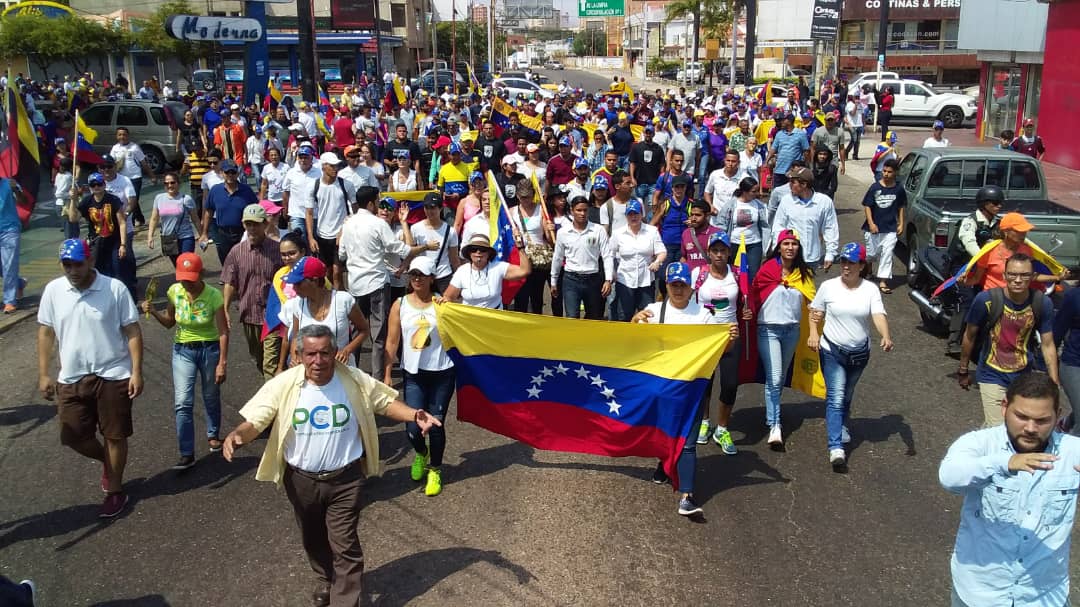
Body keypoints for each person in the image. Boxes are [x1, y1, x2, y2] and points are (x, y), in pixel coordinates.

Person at [221, 324, 442, 607]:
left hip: (346, 480)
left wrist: (415, 415)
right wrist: (239, 435)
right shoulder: (284, 384)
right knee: (312, 537)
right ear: (299, 355)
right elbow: (258, 419)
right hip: (300, 480)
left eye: (325, 353)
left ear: (335, 352)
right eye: (310, 354)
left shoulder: (353, 379)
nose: (318, 360)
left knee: (345, 543)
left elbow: (384, 403)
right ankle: (325, 578)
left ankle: (345, 600)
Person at [939, 371, 1080, 607]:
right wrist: (1003, 463)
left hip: (1044, 596)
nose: (1031, 428)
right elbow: (949, 476)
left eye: (1042, 420)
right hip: (979, 594)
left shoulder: (1071, 452)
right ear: (1005, 407)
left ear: (1058, 416)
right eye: (1022, 416)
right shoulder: (980, 444)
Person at [37, 239, 143, 518]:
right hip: (71, 376)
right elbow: (46, 332)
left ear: (91, 261)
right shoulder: (54, 291)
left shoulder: (114, 288)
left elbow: (132, 331)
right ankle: (107, 463)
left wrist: (136, 371)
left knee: (115, 435)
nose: (72, 270)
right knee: (72, 435)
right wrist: (44, 373)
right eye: (66, 264)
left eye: (77, 263)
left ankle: (115, 490)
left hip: (113, 374)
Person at [632, 262, 735, 516]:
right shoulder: (654, 311)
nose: (678, 289)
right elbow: (632, 341)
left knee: (688, 442)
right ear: (666, 286)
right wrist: (634, 320)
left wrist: (730, 340)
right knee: (663, 432)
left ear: (691, 288)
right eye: (673, 284)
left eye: (683, 285)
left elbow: (720, 350)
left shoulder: (703, 315)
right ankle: (664, 464)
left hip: (691, 388)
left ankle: (687, 495)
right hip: (662, 386)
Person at [807, 242, 893, 468]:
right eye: (843, 262)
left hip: (859, 354)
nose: (846, 267)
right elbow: (815, 313)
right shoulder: (828, 287)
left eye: (851, 263)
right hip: (832, 350)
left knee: (847, 394)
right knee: (835, 397)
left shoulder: (870, 289)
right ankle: (836, 447)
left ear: (862, 265)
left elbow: (878, 314)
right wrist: (814, 334)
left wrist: (885, 335)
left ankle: (842, 423)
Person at [140, 252, 228, 470]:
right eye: (182, 277)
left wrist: (222, 362)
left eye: (190, 277)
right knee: (183, 402)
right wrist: (155, 312)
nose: (186, 282)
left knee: (210, 394)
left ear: (201, 274)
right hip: (183, 350)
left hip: (209, 348)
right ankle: (186, 452)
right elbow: (170, 322)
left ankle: (213, 433)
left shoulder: (214, 295)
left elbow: (223, 331)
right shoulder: (174, 291)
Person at [338, 188, 436, 377]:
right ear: (370, 204)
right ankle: (376, 378)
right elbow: (401, 250)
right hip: (376, 283)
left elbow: (342, 254)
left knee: (357, 331)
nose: (379, 205)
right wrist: (424, 247)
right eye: (377, 201)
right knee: (379, 335)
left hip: (355, 284)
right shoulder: (378, 224)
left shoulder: (348, 223)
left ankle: (352, 374)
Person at [959, 253, 1057, 427]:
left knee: (1002, 425)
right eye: (1012, 274)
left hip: (1023, 376)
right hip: (991, 374)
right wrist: (963, 369)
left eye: (1024, 275)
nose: (1017, 280)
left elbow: (1048, 345)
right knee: (1002, 428)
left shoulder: (1042, 303)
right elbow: (969, 335)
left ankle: (977, 448)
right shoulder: (986, 300)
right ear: (1004, 276)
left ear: (1033, 277)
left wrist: (1054, 382)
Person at [384, 257, 455, 496]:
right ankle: (421, 454)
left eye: (421, 275)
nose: (416, 279)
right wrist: (386, 374)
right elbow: (392, 341)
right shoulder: (400, 304)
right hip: (413, 373)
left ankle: (435, 469)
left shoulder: (441, 304)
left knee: (435, 424)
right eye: (413, 274)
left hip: (442, 372)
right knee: (413, 427)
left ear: (431, 278)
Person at [750, 229, 815, 447]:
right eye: (786, 243)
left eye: (794, 244)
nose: (790, 247)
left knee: (778, 377)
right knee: (776, 376)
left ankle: (773, 414)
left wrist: (816, 331)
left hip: (792, 331)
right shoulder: (767, 270)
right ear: (779, 247)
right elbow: (753, 295)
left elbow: (814, 305)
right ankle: (775, 424)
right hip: (768, 330)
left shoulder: (804, 275)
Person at [692, 232, 753, 452]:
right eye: (715, 251)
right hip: (705, 337)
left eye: (723, 251)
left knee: (729, 384)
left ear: (729, 252)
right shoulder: (698, 274)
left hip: (730, 336)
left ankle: (722, 428)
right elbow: (687, 301)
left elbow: (747, 301)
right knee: (705, 383)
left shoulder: (737, 275)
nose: (719, 255)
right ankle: (705, 422)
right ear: (708, 253)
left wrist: (748, 312)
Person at [222, 204, 284, 381]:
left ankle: (273, 402)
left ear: (265, 224)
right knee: (259, 358)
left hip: (273, 315)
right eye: (248, 224)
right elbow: (229, 281)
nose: (252, 228)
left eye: (256, 224)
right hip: (249, 313)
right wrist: (225, 309)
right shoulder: (236, 252)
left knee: (270, 364)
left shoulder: (277, 250)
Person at [279, 256, 370, 372]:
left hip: (341, 369)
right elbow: (296, 336)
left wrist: (347, 350)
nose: (294, 288)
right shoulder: (297, 304)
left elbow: (364, 330)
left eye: (298, 283)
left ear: (315, 281)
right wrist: (294, 355)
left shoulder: (343, 300)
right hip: (311, 371)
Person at [946, 186, 1004, 355]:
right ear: (984, 204)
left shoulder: (997, 223)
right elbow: (969, 242)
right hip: (962, 266)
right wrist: (982, 258)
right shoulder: (969, 221)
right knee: (968, 299)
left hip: (983, 267)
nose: (999, 206)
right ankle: (954, 340)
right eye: (995, 203)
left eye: (1000, 203)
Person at [72, 172, 136, 296]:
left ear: (104, 184)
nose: (96, 187)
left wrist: (123, 245)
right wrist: (73, 200)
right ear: (90, 187)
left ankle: (128, 297)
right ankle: (105, 298)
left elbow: (122, 223)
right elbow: (73, 218)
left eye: (99, 184)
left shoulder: (113, 200)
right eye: (93, 184)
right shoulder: (87, 201)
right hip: (97, 243)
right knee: (98, 273)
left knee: (119, 272)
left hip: (114, 242)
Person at [550, 196, 613, 320]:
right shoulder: (563, 232)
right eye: (579, 210)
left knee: (593, 318)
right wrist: (553, 281)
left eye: (585, 210)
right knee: (572, 317)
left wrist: (608, 279)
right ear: (572, 211)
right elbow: (557, 257)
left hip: (593, 279)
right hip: (571, 279)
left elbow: (607, 255)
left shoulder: (598, 230)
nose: (582, 213)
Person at [965, 212, 1062, 291]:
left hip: (1018, 300)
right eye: (1019, 231)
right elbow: (976, 279)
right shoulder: (989, 251)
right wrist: (962, 281)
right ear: (1006, 231)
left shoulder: (1027, 250)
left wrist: (1058, 277)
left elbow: (1031, 276)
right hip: (994, 299)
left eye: (1025, 231)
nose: (1023, 234)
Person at [770, 166, 839, 270]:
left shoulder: (824, 202)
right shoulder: (786, 201)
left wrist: (830, 253)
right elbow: (778, 227)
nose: (789, 185)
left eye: (793, 182)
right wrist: (777, 249)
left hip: (812, 258)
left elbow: (830, 228)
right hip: (790, 257)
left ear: (804, 184)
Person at [444, 234, 532, 309]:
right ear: (469, 253)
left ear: (489, 253)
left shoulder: (498, 267)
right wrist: (443, 301)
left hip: (494, 318)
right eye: (474, 249)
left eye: (482, 249)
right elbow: (449, 296)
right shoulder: (462, 271)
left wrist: (520, 248)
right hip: (470, 320)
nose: (478, 252)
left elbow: (524, 271)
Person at [611, 199, 665, 321]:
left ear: (642, 214)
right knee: (624, 315)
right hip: (625, 280)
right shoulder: (618, 233)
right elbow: (609, 254)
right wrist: (612, 272)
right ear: (626, 216)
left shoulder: (652, 231)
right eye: (630, 214)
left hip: (646, 279)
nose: (633, 217)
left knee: (647, 316)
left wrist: (657, 262)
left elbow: (662, 251)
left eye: (636, 213)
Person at [861, 158, 907, 294]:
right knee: (872, 254)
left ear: (895, 173)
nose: (886, 174)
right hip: (873, 228)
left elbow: (901, 206)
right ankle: (868, 268)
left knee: (887, 253)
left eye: (889, 172)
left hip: (890, 228)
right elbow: (867, 206)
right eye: (884, 171)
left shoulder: (899, 189)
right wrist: (871, 223)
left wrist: (901, 223)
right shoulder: (875, 187)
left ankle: (883, 281)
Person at [201, 159, 260, 266]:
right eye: (227, 172)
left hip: (243, 233)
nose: (230, 175)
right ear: (222, 173)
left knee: (244, 263)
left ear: (237, 173)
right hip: (222, 234)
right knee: (227, 265)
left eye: (233, 172)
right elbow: (208, 212)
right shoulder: (215, 190)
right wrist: (204, 233)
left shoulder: (246, 190)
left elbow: (256, 210)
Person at [510, 179, 555, 314]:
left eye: (528, 196)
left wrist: (549, 229)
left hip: (538, 260)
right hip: (520, 259)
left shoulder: (542, 209)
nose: (525, 200)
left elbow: (550, 240)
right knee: (521, 299)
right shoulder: (511, 211)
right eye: (522, 197)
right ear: (517, 195)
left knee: (537, 298)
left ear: (533, 194)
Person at [713, 177, 770, 283]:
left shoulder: (759, 205)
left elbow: (765, 225)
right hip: (734, 243)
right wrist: (721, 243)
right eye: (753, 191)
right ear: (744, 191)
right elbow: (721, 224)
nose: (756, 193)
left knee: (753, 275)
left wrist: (766, 246)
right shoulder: (731, 204)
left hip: (754, 244)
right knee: (733, 273)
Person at [148, 172, 200, 265]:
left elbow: (195, 219)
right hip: (168, 238)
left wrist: (202, 235)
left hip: (185, 237)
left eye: (172, 182)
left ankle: (194, 277)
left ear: (178, 183)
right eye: (166, 183)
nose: (169, 185)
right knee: (177, 266)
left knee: (186, 265)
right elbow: (154, 219)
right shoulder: (159, 198)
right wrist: (150, 236)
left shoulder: (186, 199)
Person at [412, 193, 461, 293]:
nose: (429, 211)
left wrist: (459, 281)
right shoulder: (415, 228)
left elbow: (454, 260)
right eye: (427, 207)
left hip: (443, 276)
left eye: (433, 208)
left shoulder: (450, 231)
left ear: (440, 208)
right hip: (422, 276)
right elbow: (410, 252)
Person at [109, 127, 155, 227]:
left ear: (128, 135)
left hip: (135, 177)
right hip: (122, 179)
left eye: (124, 134)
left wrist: (152, 176)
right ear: (117, 136)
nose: (122, 137)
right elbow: (110, 164)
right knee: (128, 200)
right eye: (120, 135)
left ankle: (131, 222)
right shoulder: (115, 148)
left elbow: (144, 163)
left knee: (133, 199)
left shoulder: (134, 147)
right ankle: (140, 218)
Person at [0, 178, 27, 313]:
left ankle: (9, 301)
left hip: (9, 229)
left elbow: (24, 201)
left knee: (9, 264)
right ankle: (19, 283)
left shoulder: (9, 183)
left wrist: (15, 189)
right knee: (4, 267)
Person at [766, 113, 809, 189]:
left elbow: (806, 151)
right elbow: (773, 149)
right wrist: (766, 161)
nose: (780, 123)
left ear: (789, 121)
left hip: (793, 172)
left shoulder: (801, 134)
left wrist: (803, 164)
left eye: (782, 120)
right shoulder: (779, 134)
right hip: (779, 171)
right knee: (778, 193)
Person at [629, 125, 665, 205]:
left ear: (653, 134)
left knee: (653, 207)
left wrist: (661, 179)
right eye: (646, 132)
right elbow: (632, 163)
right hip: (639, 182)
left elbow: (662, 165)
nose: (648, 134)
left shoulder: (658, 148)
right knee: (637, 206)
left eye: (650, 133)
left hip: (654, 183)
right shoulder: (636, 147)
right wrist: (632, 177)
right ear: (643, 133)